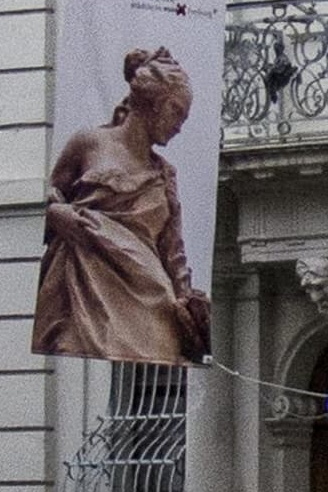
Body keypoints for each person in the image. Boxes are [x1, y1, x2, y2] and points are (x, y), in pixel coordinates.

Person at [30, 44, 211, 363]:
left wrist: (187, 302)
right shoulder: (88, 143)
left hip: (148, 298)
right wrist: (57, 213)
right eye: (177, 111)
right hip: (82, 283)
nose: (180, 125)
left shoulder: (165, 175)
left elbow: (174, 250)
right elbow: (45, 196)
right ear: (154, 103)